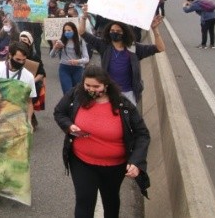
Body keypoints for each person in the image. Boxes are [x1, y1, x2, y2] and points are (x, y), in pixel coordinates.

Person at [53, 65, 150, 218]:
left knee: (110, 200)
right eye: (87, 85)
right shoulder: (76, 94)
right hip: (82, 161)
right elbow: (59, 112)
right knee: (84, 201)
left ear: (106, 85)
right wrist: (69, 126)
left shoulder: (123, 105)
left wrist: (136, 162)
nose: (91, 90)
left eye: (96, 86)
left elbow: (142, 134)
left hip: (114, 166)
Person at [0, 41, 37, 210]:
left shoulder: (27, 76)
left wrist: (28, 121)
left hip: (15, 122)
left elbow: (29, 102)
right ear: (10, 56)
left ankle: (3, 187)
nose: (20, 63)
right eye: (17, 59)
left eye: (23, 60)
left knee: (9, 157)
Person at [79, 5, 165, 104]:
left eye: (118, 31)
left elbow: (160, 48)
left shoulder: (134, 48)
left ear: (125, 33)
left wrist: (155, 30)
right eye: (112, 31)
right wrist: (84, 17)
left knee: (127, 119)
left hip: (128, 94)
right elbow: (82, 32)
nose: (115, 33)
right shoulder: (104, 45)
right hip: (108, 92)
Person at [50, 21, 90, 94]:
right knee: (67, 92)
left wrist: (77, 61)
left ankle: (75, 105)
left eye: (69, 30)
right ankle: (68, 105)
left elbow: (86, 58)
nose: (67, 32)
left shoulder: (80, 41)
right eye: (65, 31)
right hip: (64, 69)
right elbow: (52, 55)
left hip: (78, 69)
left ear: (74, 30)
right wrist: (55, 47)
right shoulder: (61, 41)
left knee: (77, 92)